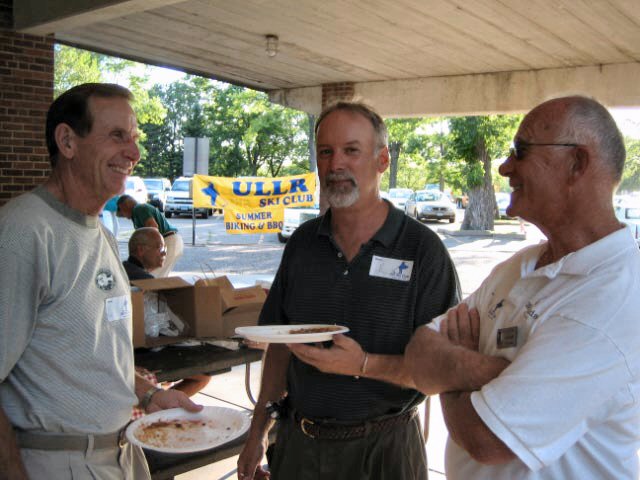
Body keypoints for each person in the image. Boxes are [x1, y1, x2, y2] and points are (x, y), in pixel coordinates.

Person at [405, 95, 640, 479]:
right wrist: (487, 371)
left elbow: (485, 438)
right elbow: (419, 354)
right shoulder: (519, 266)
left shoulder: (614, 298)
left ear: (576, 163)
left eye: (521, 150)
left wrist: (451, 371)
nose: (504, 167)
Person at [237, 101, 461, 480]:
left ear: (382, 160)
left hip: (386, 452)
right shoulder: (303, 243)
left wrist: (363, 364)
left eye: (351, 150)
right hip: (300, 447)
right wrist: (258, 432)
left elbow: (443, 369)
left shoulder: (422, 250)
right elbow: (279, 348)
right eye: (326, 152)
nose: (336, 164)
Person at [0, 83, 201, 480]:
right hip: (59, 462)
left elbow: (96, 353)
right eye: (117, 136)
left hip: (122, 453)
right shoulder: (24, 232)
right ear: (67, 142)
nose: (134, 153)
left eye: (134, 138)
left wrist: (149, 394)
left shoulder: (102, 234)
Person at [123, 227, 211, 402]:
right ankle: (162, 404)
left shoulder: (125, 268)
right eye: (160, 247)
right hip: (138, 354)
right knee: (203, 376)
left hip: (133, 350)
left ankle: (160, 400)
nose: (165, 252)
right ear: (140, 250)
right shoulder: (144, 281)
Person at [117, 194, 183, 277]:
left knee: (151, 277)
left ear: (125, 206)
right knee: (156, 276)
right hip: (171, 240)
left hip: (168, 240)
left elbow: (153, 228)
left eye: (120, 210)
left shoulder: (139, 209)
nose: (122, 214)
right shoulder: (138, 211)